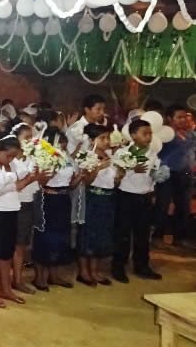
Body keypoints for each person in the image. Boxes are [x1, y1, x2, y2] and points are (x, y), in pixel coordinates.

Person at [0, 136, 44, 308]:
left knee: (7, 253)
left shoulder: (12, 164)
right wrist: (8, 188)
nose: (11, 159)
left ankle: (5, 289)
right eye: (8, 155)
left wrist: (34, 177)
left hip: (12, 210)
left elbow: (19, 186)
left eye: (14, 156)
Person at [113, 119, 162, 283]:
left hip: (144, 197)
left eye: (150, 133)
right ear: (133, 135)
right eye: (145, 133)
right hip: (126, 196)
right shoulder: (122, 153)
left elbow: (154, 175)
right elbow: (116, 175)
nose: (149, 137)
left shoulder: (153, 153)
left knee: (143, 234)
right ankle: (118, 267)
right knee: (123, 233)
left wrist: (156, 181)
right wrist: (131, 170)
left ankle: (142, 266)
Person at [32, 128, 80, 291]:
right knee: (45, 237)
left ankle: (54, 275)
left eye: (65, 146)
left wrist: (81, 176)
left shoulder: (67, 158)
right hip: (48, 199)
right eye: (60, 145)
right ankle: (39, 277)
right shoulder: (43, 157)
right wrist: (51, 168)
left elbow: (71, 184)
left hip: (63, 199)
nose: (63, 149)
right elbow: (40, 181)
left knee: (61, 237)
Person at [77, 123, 123, 287]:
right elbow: (86, 182)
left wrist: (119, 177)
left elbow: (113, 182)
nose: (106, 141)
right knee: (88, 235)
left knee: (101, 234)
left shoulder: (109, 155)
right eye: (102, 138)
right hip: (93, 199)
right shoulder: (87, 156)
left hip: (108, 199)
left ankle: (94, 271)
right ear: (91, 140)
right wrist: (97, 168)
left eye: (107, 138)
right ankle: (83, 272)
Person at [155, 104, 196, 246]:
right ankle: (157, 235)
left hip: (186, 174)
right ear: (169, 118)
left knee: (184, 206)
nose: (183, 120)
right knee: (163, 205)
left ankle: (180, 237)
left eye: (184, 117)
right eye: (179, 117)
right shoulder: (165, 135)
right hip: (167, 174)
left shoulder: (189, 134)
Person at [8, 121, 38, 295]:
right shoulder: (10, 159)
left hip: (27, 203)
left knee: (21, 244)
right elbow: (15, 184)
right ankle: (4, 280)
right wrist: (33, 177)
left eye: (31, 137)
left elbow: (38, 181)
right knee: (8, 244)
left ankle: (17, 280)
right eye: (26, 137)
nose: (30, 140)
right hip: (11, 204)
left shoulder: (33, 156)